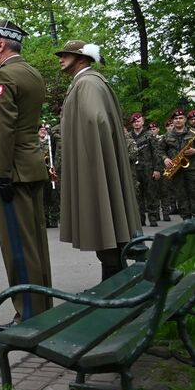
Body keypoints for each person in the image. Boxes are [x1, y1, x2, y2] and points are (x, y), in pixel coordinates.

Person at [0, 19, 52, 322]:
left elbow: (2, 131)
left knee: (18, 247)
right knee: (35, 242)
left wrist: (1, 174)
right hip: (31, 166)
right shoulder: (32, 74)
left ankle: (29, 314)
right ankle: (42, 305)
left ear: (0, 44)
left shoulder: (3, 77)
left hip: (12, 172)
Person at [55, 40, 141, 281]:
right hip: (97, 162)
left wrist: (90, 160)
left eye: (66, 55)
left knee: (104, 220)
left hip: (93, 164)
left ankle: (113, 282)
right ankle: (113, 280)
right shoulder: (90, 81)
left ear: (82, 58)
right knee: (107, 223)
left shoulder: (87, 83)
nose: (61, 58)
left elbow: (97, 121)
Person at [161, 109, 195, 221]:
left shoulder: (193, 133)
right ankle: (186, 220)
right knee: (181, 196)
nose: (178, 120)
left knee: (194, 193)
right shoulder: (167, 135)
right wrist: (165, 158)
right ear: (172, 121)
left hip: (193, 169)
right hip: (176, 170)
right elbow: (160, 150)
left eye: (181, 118)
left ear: (185, 120)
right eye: (175, 118)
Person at [128, 112, 162, 227]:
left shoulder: (149, 135)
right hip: (134, 170)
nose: (136, 123)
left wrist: (157, 169)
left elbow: (156, 153)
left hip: (148, 168)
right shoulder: (128, 136)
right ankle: (140, 219)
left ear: (142, 122)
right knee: (137, 195)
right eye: (134, 122)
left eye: (138, 121)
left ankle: (153, 217)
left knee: (151, 193)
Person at [37, 124, 60, 228]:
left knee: (53, 195)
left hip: (50, 171)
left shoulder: (50, 142)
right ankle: (44, 220)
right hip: (39, 171)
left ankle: (54, 219)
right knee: (42, 196)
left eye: (44, 130)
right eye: (41, 130)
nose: (43, 131)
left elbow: (55, 153)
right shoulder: (35, 143)